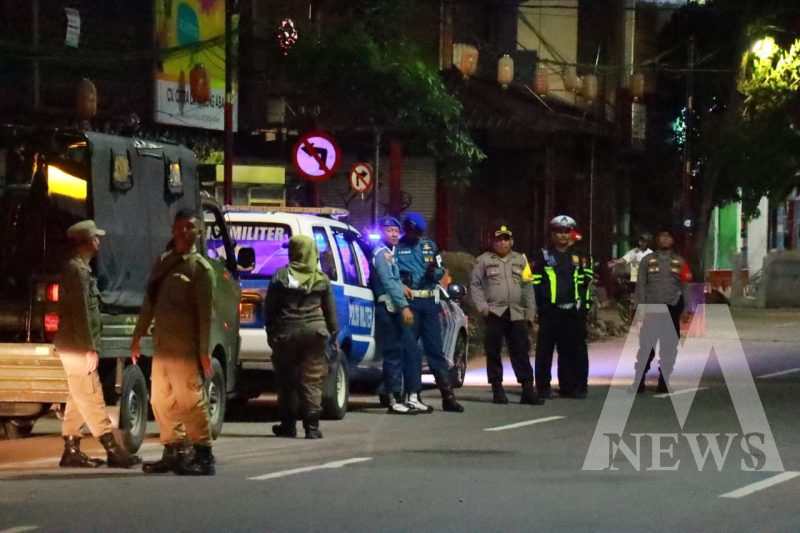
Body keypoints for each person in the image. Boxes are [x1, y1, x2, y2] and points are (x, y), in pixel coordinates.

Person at [131, 208, 215, 475]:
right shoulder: (164, 262)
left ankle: (203, 455)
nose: (184, 232)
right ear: (172, 230)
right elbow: (149, 303)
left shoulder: (200, 269)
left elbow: (205, 316)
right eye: (180, 227)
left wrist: (203, 352)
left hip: (185, 349)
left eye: (190, 227)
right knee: (161, 400)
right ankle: (174, 450)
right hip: (163, 347)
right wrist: (137, 335)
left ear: (199, 231)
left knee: (190, 399)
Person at [54, 220, 140, 469]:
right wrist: (89, 347)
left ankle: (71, 450)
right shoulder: (77, 271)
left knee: (77, 397)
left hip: (73, 344)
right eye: (95, 238)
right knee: (91, 396)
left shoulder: (79, 269)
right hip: (77, 346)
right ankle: (114, 451)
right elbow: (81, 312)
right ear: (86, 242)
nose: (99, 241)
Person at [264, 235, 339, 439]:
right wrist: (333, 335)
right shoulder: (321, 279)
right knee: (312, 380)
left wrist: (271, 333)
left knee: (287, 380)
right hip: (316, 335)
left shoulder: (280, 277)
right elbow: (331, 312)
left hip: (286, 335)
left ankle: (288, 426)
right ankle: (312, 428)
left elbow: (270, 309)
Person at [396, 212, 464, 413]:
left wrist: (435, 271)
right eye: (411, 232)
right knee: (410, 350)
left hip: (429, 302)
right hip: (409, 302)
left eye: (417, 232)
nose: (414, 235)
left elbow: (440, 272)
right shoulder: (397, 248)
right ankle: (412, 395)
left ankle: (448, 396)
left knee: (435, 350)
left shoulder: (429, 246)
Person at [470, 224, 542, 405]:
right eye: (499, 239)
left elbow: (527, 286)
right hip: (494, 311)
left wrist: (530, 311)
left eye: (506, 239)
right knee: (493, 351)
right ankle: (497, 389)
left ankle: (527, 389)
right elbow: (475, 285)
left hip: (517, 312)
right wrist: (482, 307)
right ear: (493, 242)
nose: (503, 243)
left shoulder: (520, 260)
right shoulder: (484, 260)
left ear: (511, 241)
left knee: (521, 351)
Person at [532, 215, 594, 399]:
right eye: (559, 231)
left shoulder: (582, 257)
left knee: (573, 350)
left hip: (573, 311)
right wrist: (539, 306)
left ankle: (572, 386)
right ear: (552, 234)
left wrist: (585, 306)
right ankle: (543, 387)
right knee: (544, 351)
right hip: (549, 311)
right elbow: (536, 283)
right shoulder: (543, 255)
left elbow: (587, 284)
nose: (563, 235)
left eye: (567, 231)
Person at [633, 227, 690, 394]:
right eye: (662, 236)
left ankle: (664, 381)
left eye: (668, 236)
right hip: (651, 309)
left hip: (672, 309)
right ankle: (639, 381)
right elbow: (641, 285)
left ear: (673, 240)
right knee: (646, 347)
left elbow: (685, 286)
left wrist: (686, 308)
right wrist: (640, 306)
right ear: (657, 240)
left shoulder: (680, 262)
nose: (665, 239)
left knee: (669, 348)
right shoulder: (647, 260)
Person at [370, 216, 416, 414]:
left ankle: (396, 395)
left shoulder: (389, 252)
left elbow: (392, 279)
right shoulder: (383, 253)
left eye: (396, 230)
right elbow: (387, 281)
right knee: (393, 354)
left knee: (397, 352)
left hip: (391, 307)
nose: (394, 234)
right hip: (388, 309)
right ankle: (393, 398)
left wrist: (402, 285)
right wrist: (404, 306)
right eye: (389, 230)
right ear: (381, 233)